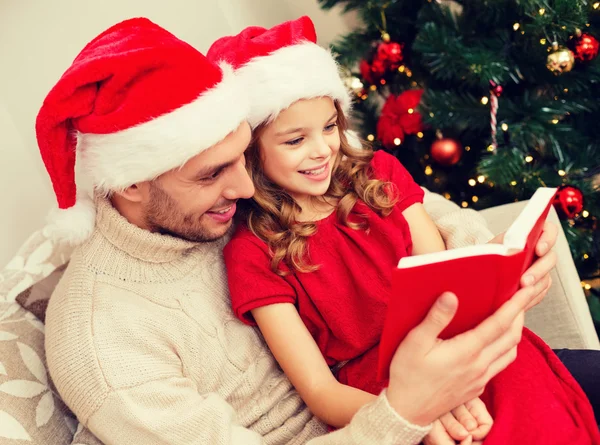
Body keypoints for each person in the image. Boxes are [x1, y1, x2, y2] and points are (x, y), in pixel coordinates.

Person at [40, 17, 558, 445]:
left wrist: (490, 256)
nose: (247, 189)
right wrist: (405, 414)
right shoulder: (103, 343)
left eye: (241, 158)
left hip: (421, 384)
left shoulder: (206, 206)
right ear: (130, 182)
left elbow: (400, 213)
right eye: (213, 173)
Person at [214, 17, 600, 445]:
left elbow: (444, 278)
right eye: (294, 141)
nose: (322, 150)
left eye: (328, 127)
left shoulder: (379, 173)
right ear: (250, 153)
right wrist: (418, 411)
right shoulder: (252, 254)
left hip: (461, 350)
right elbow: (322, 394)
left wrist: (505, 272)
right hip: (381, 397)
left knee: (540, 418)